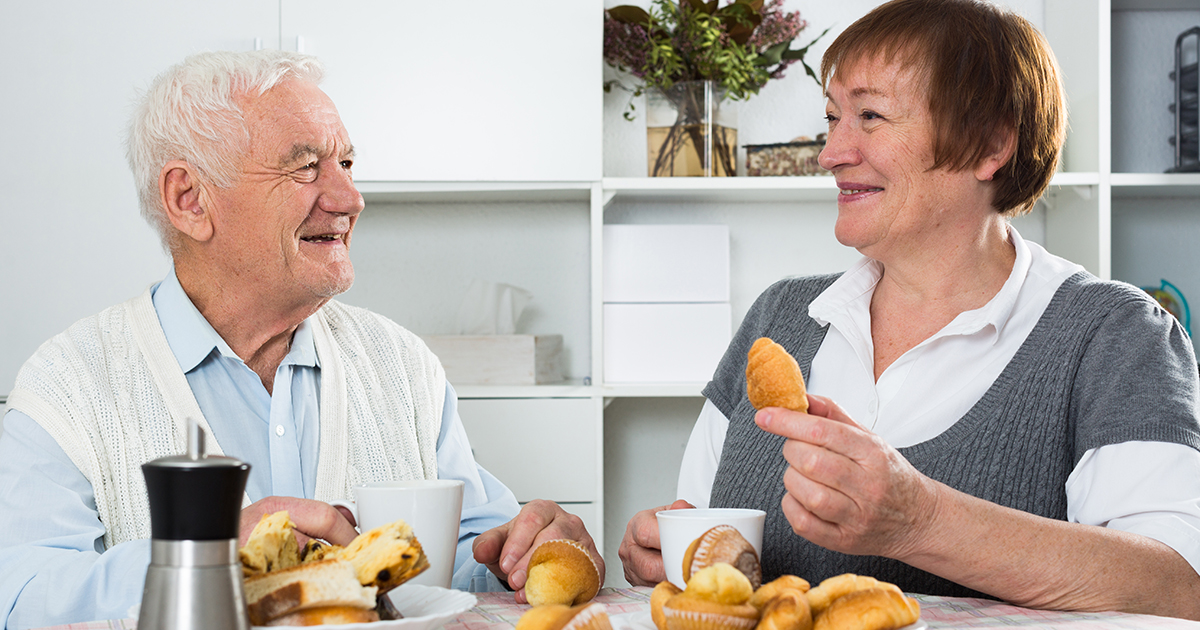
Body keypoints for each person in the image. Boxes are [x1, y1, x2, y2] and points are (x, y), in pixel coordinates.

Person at [620, 0, 1200, 619]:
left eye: (870, 116)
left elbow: (1177, 585)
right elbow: (706, 554)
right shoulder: (779, 319)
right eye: (832, 117)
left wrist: (919, 520)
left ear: (989, 145)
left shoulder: (1113, 336)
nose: (831, 152)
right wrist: (661, 555)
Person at [0, 50, 601, 629]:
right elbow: (20, 594)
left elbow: (473, 560)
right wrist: (204, 560)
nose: (349, 199)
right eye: (305, 167)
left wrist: (528, 553)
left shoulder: (402, 366)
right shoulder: (70, 384)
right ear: (189, 199)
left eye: (345, 164)